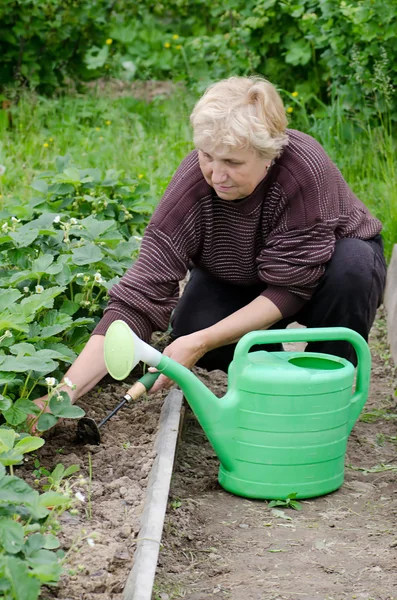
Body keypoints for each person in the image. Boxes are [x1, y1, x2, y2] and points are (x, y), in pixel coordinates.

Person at [37, 76, 387, 408]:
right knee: (192, 330)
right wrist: (62, 397)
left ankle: (324, 388)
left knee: (352, 269)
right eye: (207, 155)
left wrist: (202, 341)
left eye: (233, 162)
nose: (216, 175)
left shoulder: (302, 168)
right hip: (241, 277)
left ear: (269, 155)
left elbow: (290, 288)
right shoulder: (192, 188)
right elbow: (139, 297)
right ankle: (267, 372)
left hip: (324, 272)